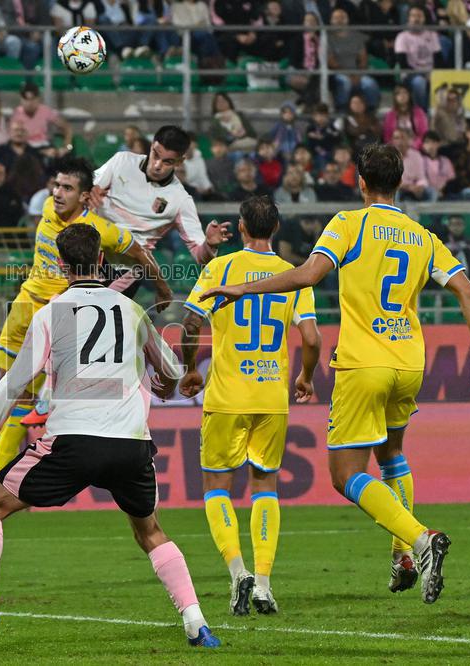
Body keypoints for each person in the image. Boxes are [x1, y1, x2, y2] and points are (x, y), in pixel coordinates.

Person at [199, 143, 470, 604]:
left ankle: (420, 539)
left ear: (360, 182)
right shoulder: (422, 235)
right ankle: (401, 555)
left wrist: (243, 287)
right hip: (410, 362)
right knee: (393, 453)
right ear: (399, 182)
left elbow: (307, 275)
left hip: (364, 363)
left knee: (345, 475)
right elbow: (468, 292)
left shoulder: (348, 224)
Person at [0, 222, 222, 650]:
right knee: (150, 532)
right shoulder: (132, 311)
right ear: (102, 261)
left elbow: (13, 384)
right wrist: (164, 382)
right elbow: (171, 372)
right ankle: (197, 623)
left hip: (73, 441)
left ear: (61, 265)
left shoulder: (51, 313)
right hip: (131, 445)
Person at [0, 157, 174, 503]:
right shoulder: (46, 209)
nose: (57, 193)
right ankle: (1, 462)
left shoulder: (99, 231)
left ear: (85, 196)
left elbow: (140, 254)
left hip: (60, 317)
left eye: (67, 188)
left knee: (27, 391)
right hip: (23, 311)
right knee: (14, 393)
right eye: (56, 185)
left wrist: (161, 286)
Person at [179, 195, 321, 615]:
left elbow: (190, 322)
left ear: (241, 227)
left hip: (227, 396)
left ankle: (237, 571)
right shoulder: (294, 275)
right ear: (275, 228)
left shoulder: (220, 268)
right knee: (265, 487)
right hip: (271, 397)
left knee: (216, 487)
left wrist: (190, 369)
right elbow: (311, 338)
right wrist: (306, 376)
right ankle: (263, 584)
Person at [90, 125, 231, 297]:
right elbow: (89, 188)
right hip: (89, 251)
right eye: (156, 155)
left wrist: (209, 245)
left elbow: (200, 256)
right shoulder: (122, 161)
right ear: (151, 146)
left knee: (96, 308)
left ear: (179, 162)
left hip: (125, 268)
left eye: (167, 161)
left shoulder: (180, 200)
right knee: (69, 308)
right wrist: (90, 190)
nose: (157, 165)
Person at [327, 8, 381, 111]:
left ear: (347, 20)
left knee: (370, 83)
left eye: (342, 18)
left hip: (357, 73)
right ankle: (341, 110)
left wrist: (359, 74)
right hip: (337, 73)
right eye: (336, 18)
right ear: (331, 21)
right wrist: (349, 75)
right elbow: (331, 62)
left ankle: (371, 111)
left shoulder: (356, 36)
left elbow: (363, 58)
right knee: (345, 82)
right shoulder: (327, 38)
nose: (339, 21)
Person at [394, 6, 443, 110]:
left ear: (424, 19)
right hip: (411, 74)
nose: (416, 19)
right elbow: (403, 64)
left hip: (431, 73)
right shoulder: (402, 37)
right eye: (413, 16)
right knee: (419, 82)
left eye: (419, 16)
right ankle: (422, 113)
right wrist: (423, 75)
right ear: (408, 18)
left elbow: (439, 59)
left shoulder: (432, 35)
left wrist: (434, 74)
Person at [10, 82, 73, 153]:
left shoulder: (45, 110)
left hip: (44, 146)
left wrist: (68, 147)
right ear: (21, 99)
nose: (29, 103)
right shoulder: (17, 113)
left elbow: (67, 127)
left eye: (32, 99)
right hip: (26, 148)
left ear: (38, 99)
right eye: (26, 99)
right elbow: (13, 137)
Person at [383, 84, 430, 150]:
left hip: (416, 148)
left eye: (405, 92)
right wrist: (396, 147)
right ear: (395, 97)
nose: (402, 95)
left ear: (409, 95)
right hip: (396, 149)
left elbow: (424, 134)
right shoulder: (390, 115)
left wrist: (414, 146)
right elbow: (387, 137)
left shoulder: (419, 112)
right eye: (398, 93)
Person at [306, 103, 343, 172]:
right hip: (318, 154)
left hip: (332, 152)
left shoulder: (332, 126)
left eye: (322, 115)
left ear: (327, 115)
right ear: (313, 117)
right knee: (321, 160)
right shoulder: (311, 128)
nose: (320, 118)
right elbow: (310, 144)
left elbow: (337, 139)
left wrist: (324, 137)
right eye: (317, 115)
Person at [420, 131, 456, 197]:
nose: (430, 145)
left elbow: (451, 179)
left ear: (439, 144)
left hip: (445, 193)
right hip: (427, 193)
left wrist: (443, 190)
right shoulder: (420, 161)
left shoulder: (445, 160)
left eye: (433, 142)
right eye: (427, 142)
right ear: (423, 145)